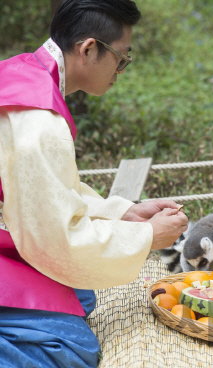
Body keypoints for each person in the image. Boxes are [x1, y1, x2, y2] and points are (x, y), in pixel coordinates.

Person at [0, 1, 188, 367]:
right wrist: (147, 237)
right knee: (72, 350)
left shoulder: (23, 71)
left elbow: (50, 190)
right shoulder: (39, 123)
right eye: (122, 58)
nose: (121, 70)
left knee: (81, 295)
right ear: (88, 49)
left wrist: (125, 214)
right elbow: (56, 240)